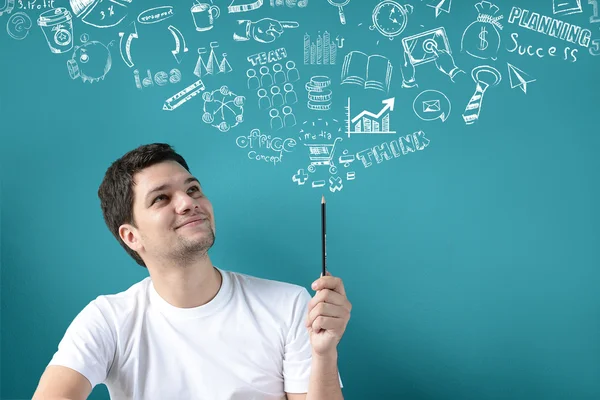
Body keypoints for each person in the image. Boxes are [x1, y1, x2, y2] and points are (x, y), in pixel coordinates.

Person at [32, 143, 352, 400]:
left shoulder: (290, 305)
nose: (188, 202)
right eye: (161, 198)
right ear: (132, 236)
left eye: (194, 189)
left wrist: (324, 355)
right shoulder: (107, 321)